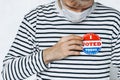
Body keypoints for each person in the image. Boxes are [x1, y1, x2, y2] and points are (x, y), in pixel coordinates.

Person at [1, 0, 120, 80]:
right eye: (73, 4)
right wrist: (48, 55)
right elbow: (7, 73)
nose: (79, 12)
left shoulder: (114, 20)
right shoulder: (36, 19)